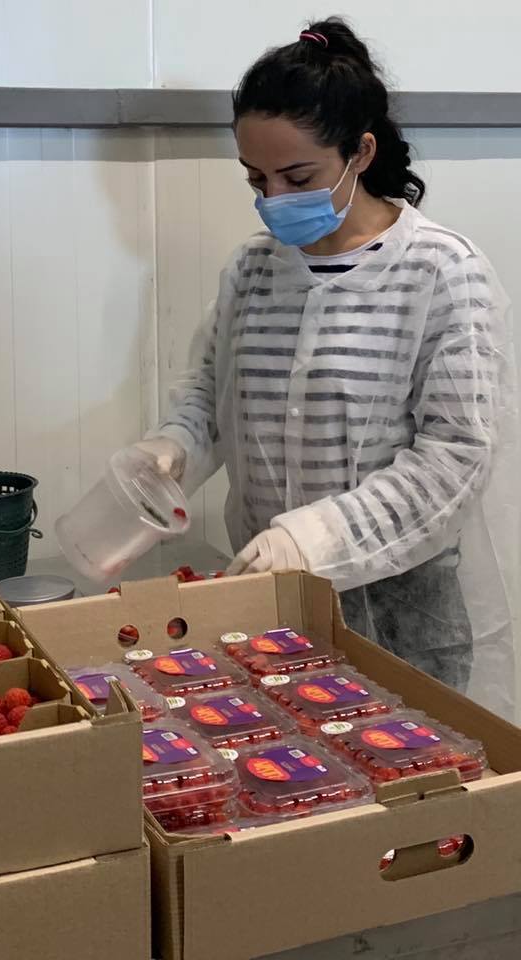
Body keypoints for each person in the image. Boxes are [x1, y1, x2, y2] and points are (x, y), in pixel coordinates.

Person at [134, 17, 517, 715]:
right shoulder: (253, 270)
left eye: (298, 176)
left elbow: (456, 456)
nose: (274, 199)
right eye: (257, 179)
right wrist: (173, 448)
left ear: (360, 152)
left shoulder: (441, 273)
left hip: (400, 620)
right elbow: (215, 394)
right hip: (271, 606)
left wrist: (314, 537)